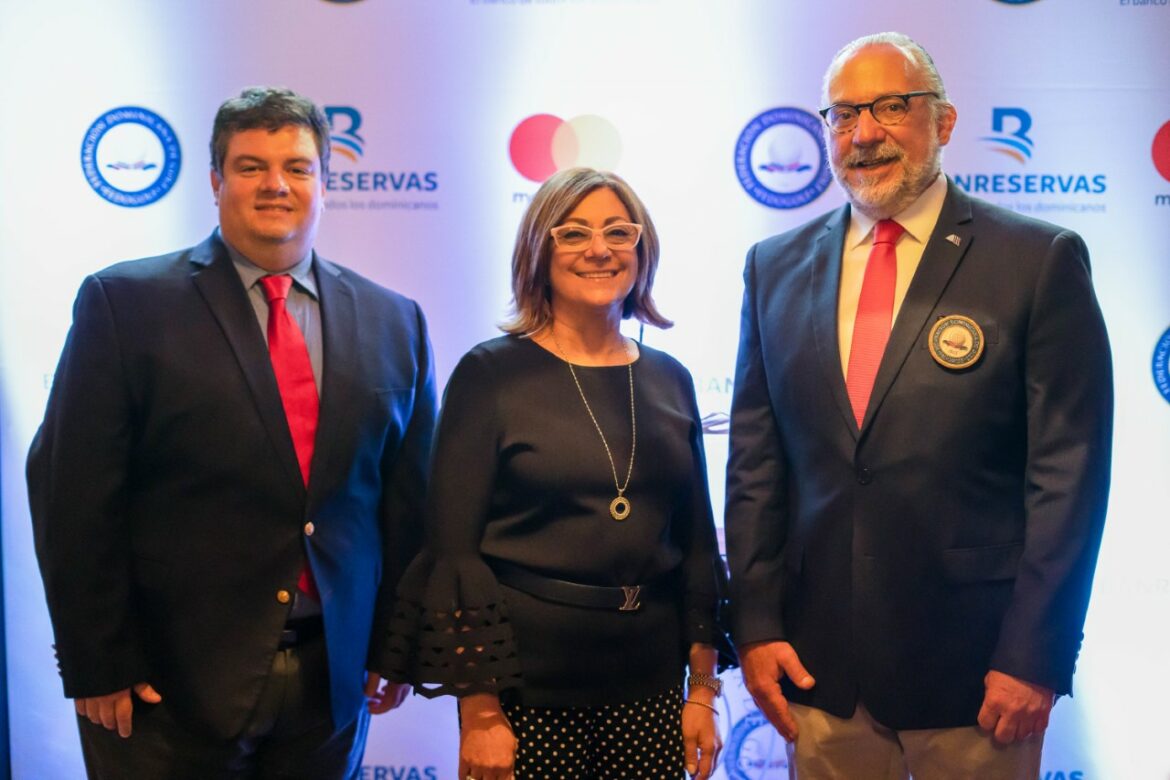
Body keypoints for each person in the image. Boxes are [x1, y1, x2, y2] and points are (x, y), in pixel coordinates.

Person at [725, 32, 1113, 779]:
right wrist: (757, 625)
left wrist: (1035, 655)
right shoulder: (772, 267)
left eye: (892, 107)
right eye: (844, 115)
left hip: (980, 677)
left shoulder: (1037, 261)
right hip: (820, 675)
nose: (864, 133)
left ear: (944, 121)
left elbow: (1069, 479)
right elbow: (755, 468)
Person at [27, 86, 437, 779]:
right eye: (251, 167)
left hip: (330, 689)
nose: (276, 184)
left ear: (324, 183)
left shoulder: (395, 321)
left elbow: (409, 504)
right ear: (216, 182)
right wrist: (96, 660)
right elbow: (73, 493)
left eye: (297, 167)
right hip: (165, 691)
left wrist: (398, 645)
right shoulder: (125, 304)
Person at [378, 167, 728, 780]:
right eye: (574, 233)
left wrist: (701, 692)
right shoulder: (489, 375)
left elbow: (698, 548)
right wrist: (480, 714)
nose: (599, 249)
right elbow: (455, 556)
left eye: (618, 232)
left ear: (642, 249)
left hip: (650, 688)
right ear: (539, 252)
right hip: (526, 697)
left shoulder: (671, 378)